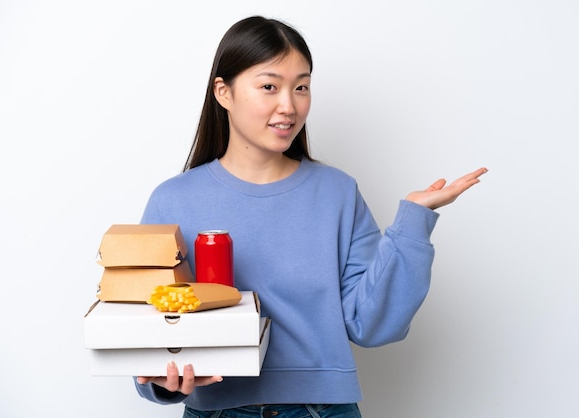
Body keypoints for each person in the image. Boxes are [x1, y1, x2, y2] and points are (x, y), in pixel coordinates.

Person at [134, 15, 487, 418]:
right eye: (269, 86)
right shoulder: (172, 201)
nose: (289, 105)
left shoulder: (337, 192)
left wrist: (413, 223)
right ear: (224, 92)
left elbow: (371, 325)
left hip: (323, 409)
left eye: (301, 87)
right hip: (216, 409)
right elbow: (144, 330)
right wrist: (161, 384)